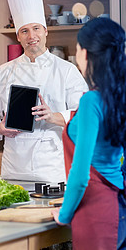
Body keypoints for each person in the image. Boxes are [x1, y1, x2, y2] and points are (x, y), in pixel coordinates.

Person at [0, 0, 88, 183]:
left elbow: (83, 114)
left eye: (36, 28)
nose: (32, 36)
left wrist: (53, 116)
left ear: (46, 31)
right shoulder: (4, 71)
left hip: (52, 168)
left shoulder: (67, 70)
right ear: (18, 36)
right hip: (13, 168)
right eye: (24, 31)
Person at [52, 17, 126, 249]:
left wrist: (64, 214)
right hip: (119, 207)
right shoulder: (119, 98)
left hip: (95, 213)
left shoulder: (91, 102)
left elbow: (81, 174)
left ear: (85, 53)